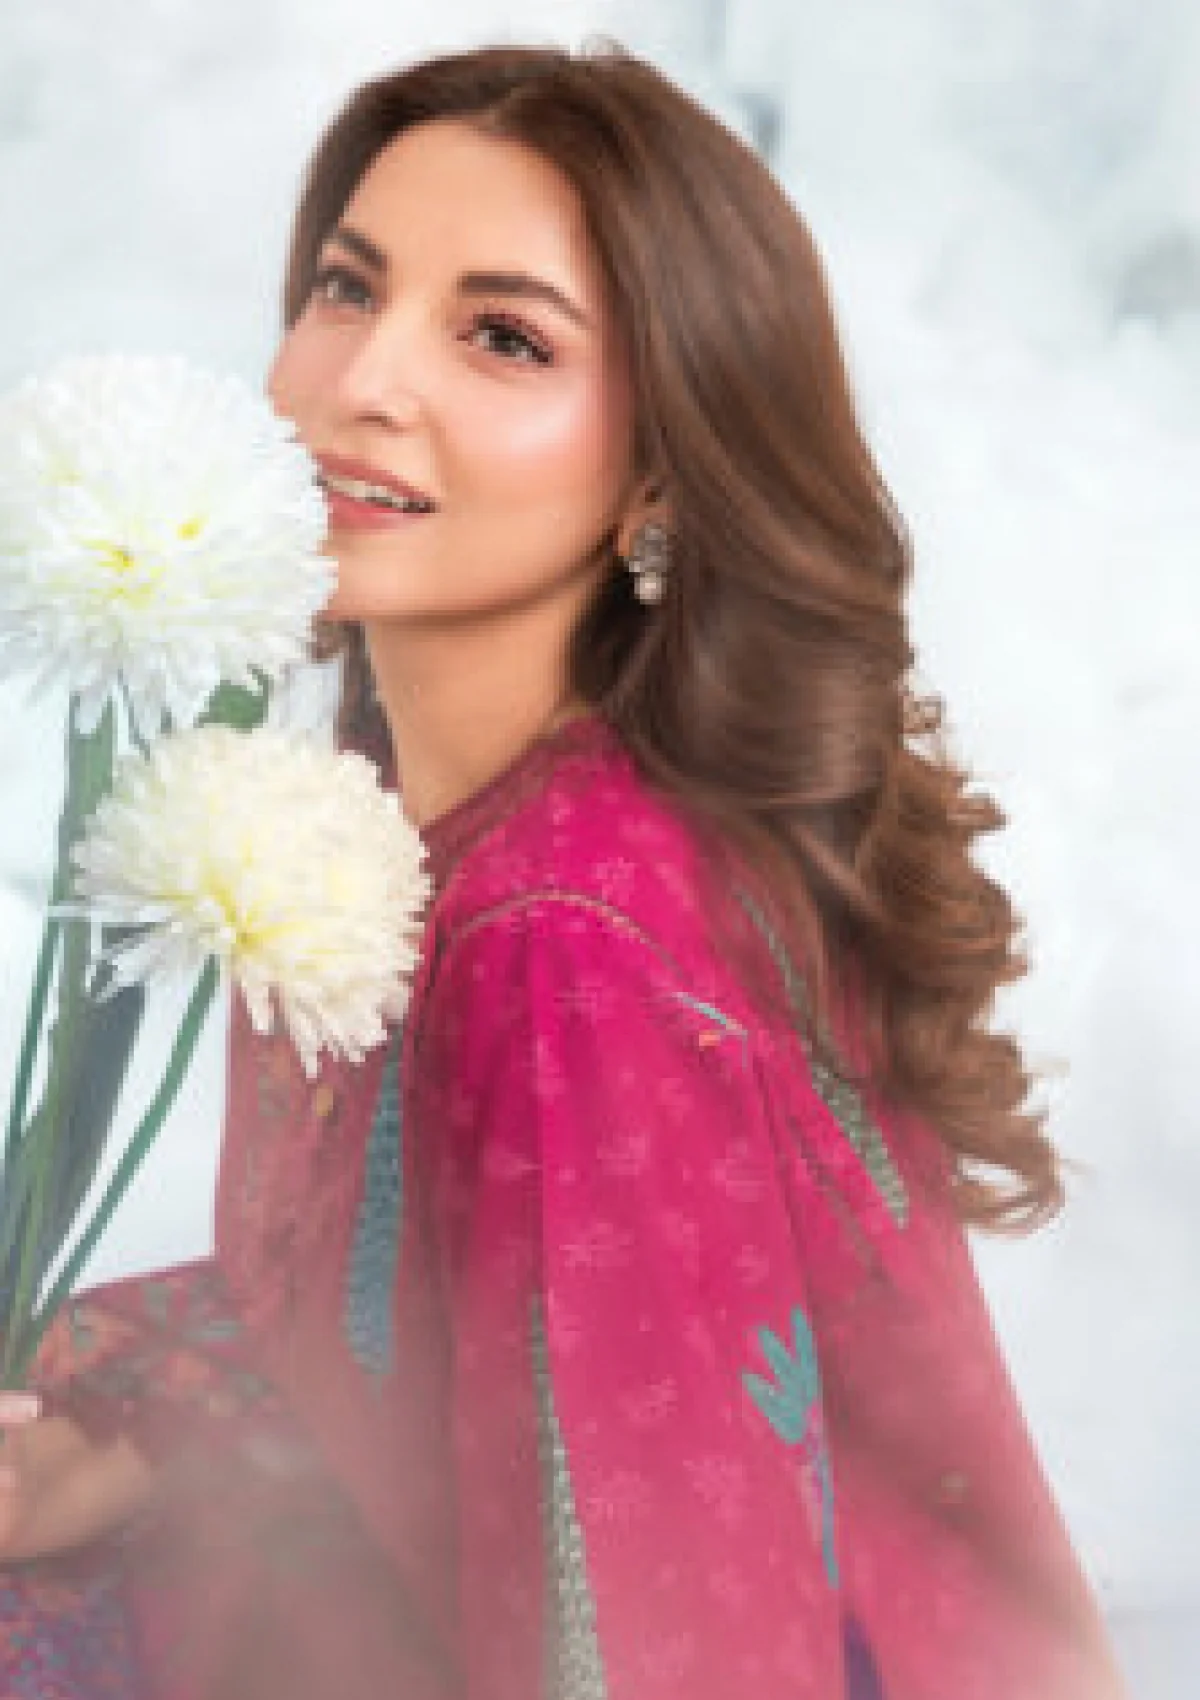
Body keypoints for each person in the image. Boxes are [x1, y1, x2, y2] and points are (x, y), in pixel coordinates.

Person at [0, 41, 1127, 1700]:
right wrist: (116, 1443)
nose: (362, 380)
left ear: (662, 469)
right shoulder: (384, 807)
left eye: (505, 338)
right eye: (346, 288)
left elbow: (661, 1630)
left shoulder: (567, 944)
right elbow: (396, 1321)